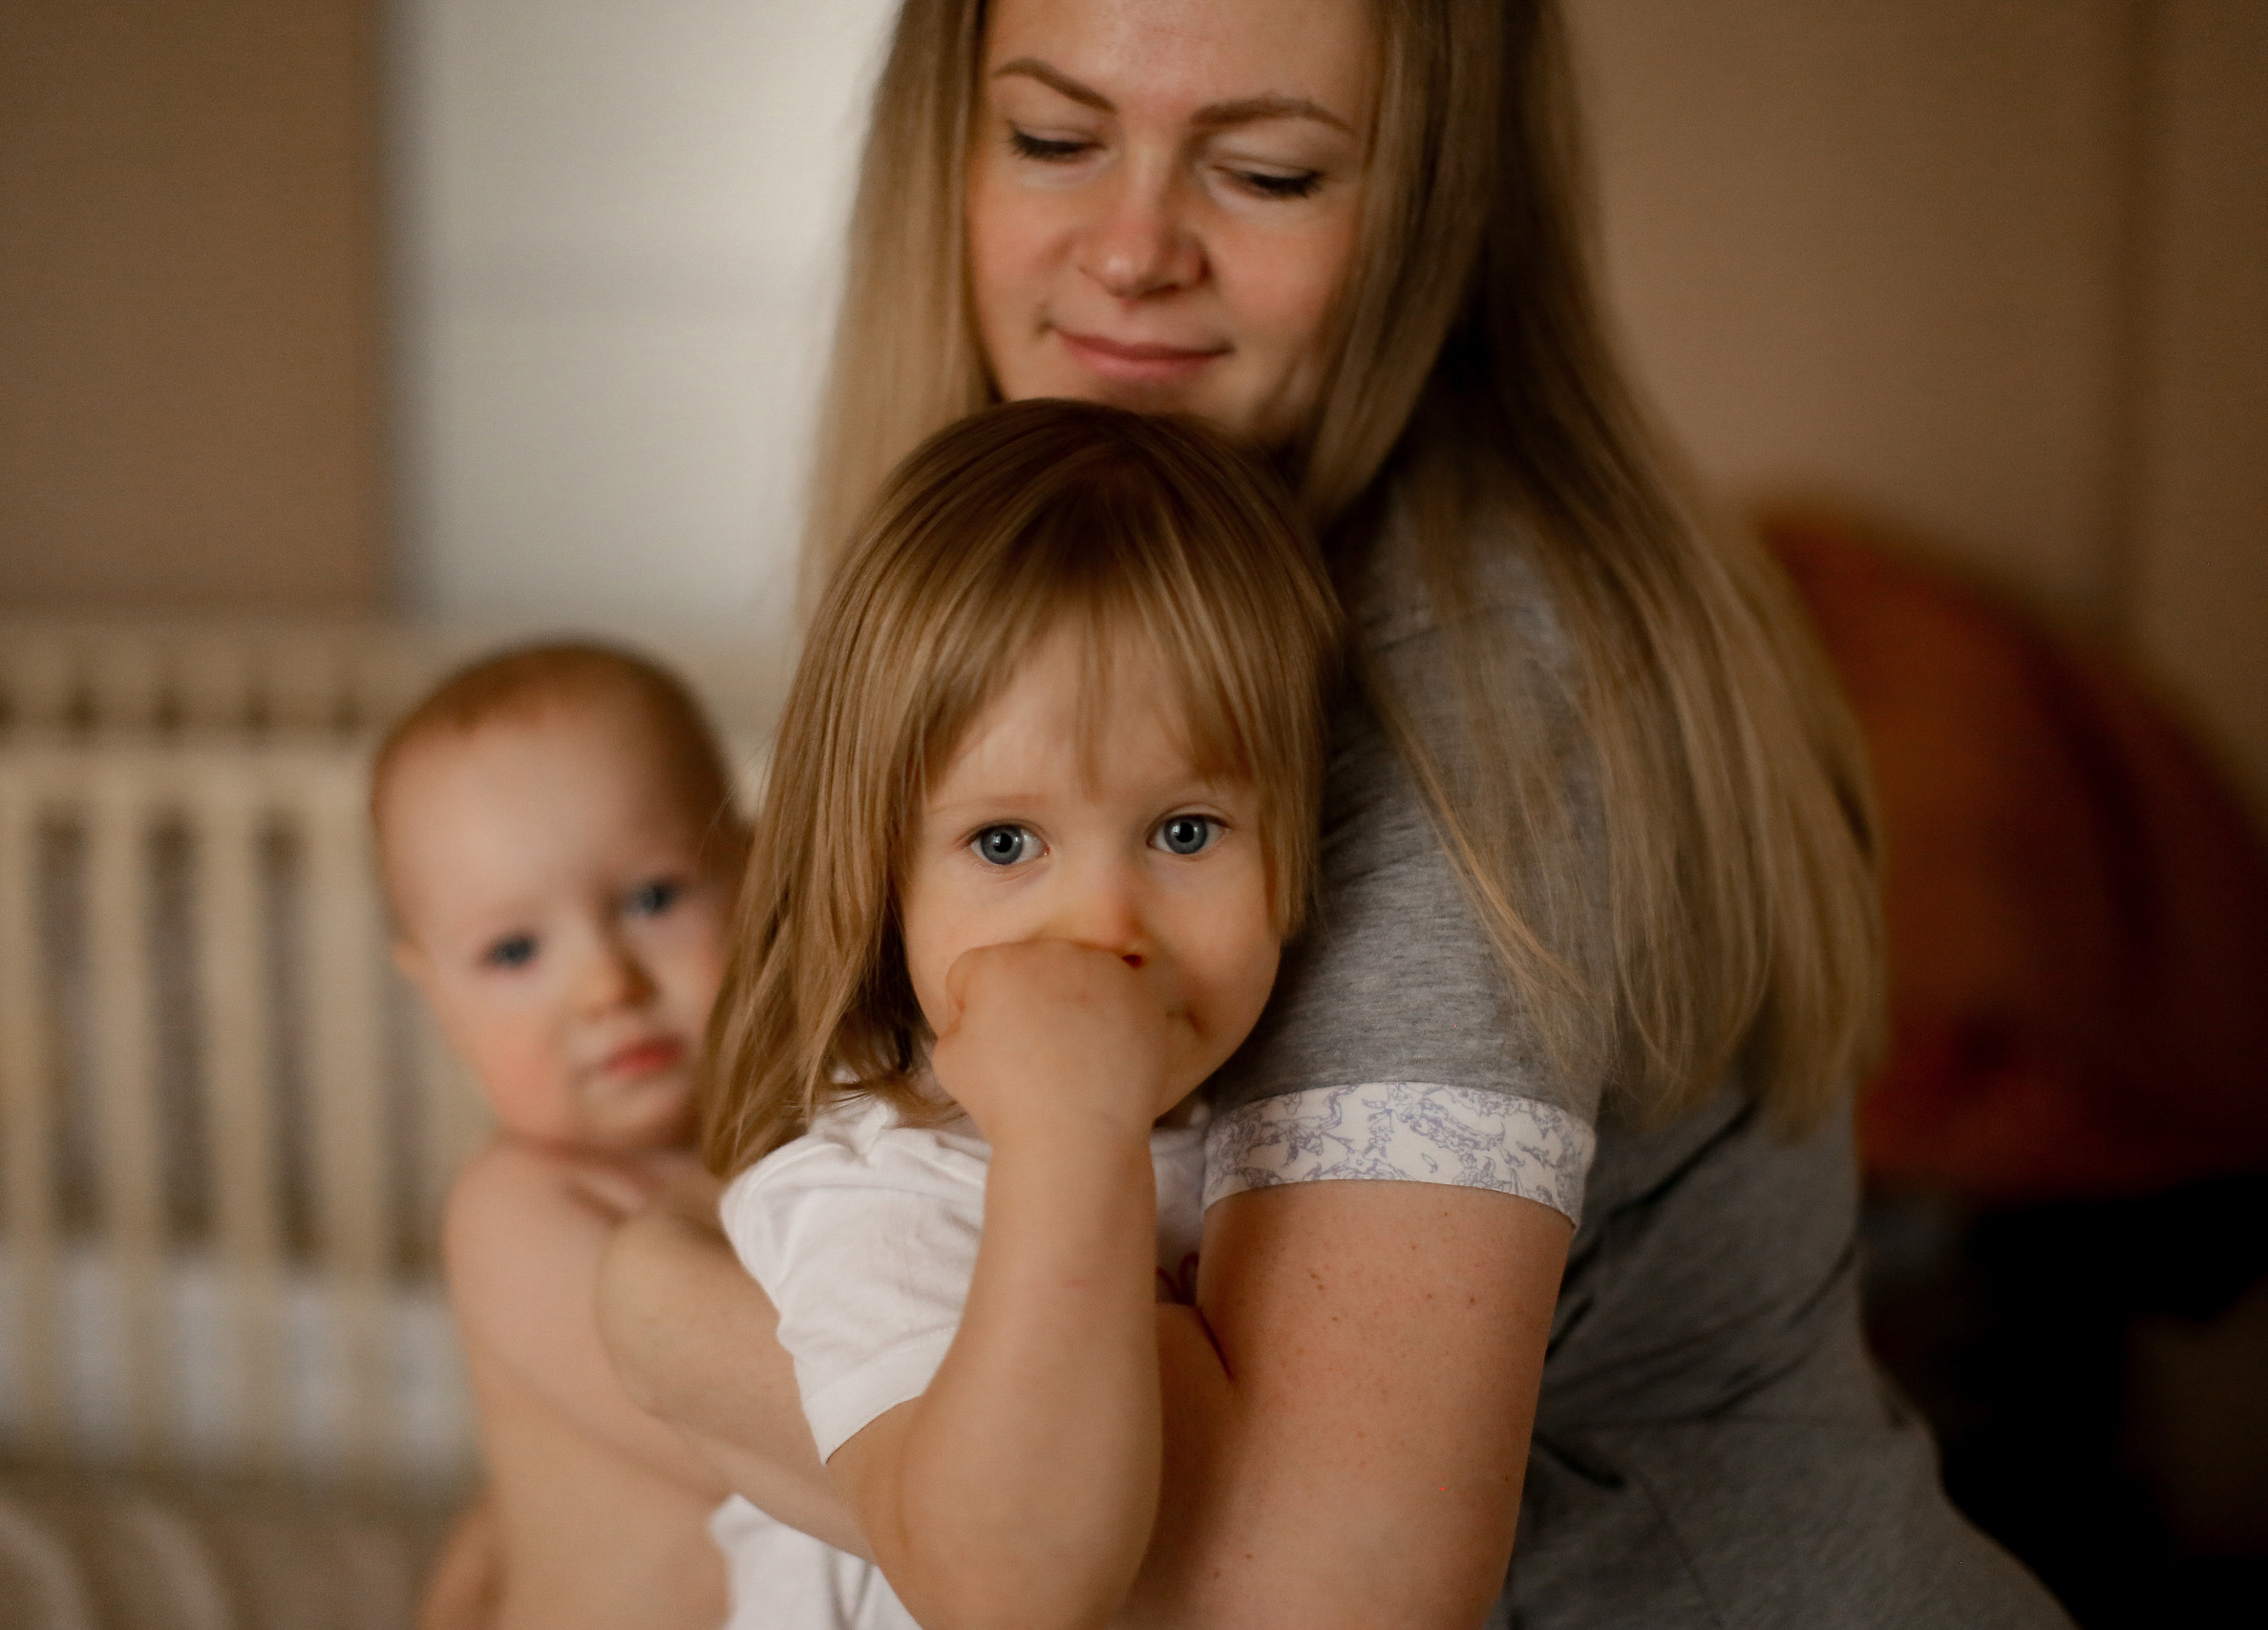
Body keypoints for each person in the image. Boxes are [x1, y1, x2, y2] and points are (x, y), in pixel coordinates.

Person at [603, 1, 2073, 1623]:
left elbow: (1304, 1605)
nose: (1134, 248)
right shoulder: (1126, 640)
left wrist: (648, 1309)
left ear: (1433, 211)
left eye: (1271, 171)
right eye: (1052, 139)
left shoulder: (1451, 690)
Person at [701, 401, 1339, 1629]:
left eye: (1185, 831)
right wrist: (1065, 1135)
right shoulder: (881, 1192)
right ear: (880, 879)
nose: (1103, 925)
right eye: (1005, 842)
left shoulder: (1309, 1136)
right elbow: (1005, 1590)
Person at [375, 644, 744, 1630]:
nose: (605, 987)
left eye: (654, 898)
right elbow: (786, 1454)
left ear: (752, 873)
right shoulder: (520, 1211)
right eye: (514, 951)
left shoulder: (810, 1145)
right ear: (439, 999)